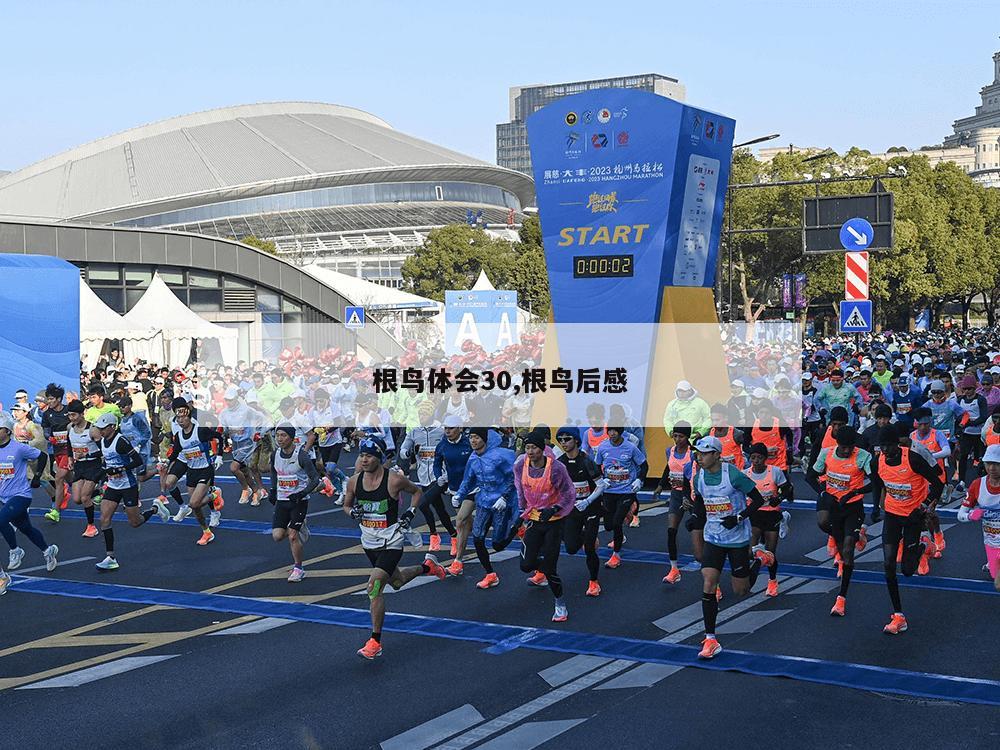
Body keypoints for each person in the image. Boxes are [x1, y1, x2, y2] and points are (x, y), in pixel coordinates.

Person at [343, 437, 445, 659]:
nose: (364, 459)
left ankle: (375, 642)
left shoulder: (394, 480)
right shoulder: (353, 481)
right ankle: (428, 567)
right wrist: (352, 513)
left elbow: (417, 491)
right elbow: (346, 504)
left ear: (379, 457)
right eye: (362, 455)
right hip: (369, 541)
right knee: (397, 582)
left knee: (374, 586)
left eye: (369, 455)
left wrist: (410, 512)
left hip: (392, 540)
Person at [690, 436, 770, 659]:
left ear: (716, 454)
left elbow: (758, 500)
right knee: (708, 582)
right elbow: (700, 501)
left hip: (737, 538)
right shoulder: (699, 477)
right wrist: (696, 516)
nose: (700, 457)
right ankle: (711, 639)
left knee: (740, 591)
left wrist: (739, 517)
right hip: (713, 536)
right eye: (699, 453)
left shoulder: (732, 474)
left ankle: (760, 560)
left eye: (705, 453)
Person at [873, 424, 944, 634]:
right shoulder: (879, 460)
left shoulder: (912, 458)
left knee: (907, 571)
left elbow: (938, 483)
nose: (885, 450)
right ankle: (898, 616)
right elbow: (879, 484)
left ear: (898, 443)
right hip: (893, 515)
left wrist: (924, 507)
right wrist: (877, 508)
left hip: (913, 516)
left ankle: (924, 546)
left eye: (889, 446)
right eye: (882, 446)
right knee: (888, 563)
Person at [92, 412, 170, 570]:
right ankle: (110, 557)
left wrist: (121, 468)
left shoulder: (121, 441)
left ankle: (155, 509)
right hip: (113, 486)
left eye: (104, 428)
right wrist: (98, 480)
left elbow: (137, 461)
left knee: (135, 522)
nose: (101, 431)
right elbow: (106, 463)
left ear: (112, 427)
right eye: (99, 428)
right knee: (104, 519)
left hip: (128, 486)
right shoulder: (102, 442)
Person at [513, 429, 576, 622]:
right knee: (526, 565)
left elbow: (569, 493)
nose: (530, 451)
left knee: (550, 568)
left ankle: (560, 604)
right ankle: (546, 567)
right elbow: (520, 489)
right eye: (527, 447)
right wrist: (521, 513)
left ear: (542, 449)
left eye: (534, 447)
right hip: (533, 518)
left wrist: (555, 508)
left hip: (553, 522)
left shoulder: (556, 468)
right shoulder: (520, 466)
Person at [811, 426, 872, 615]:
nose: (847, 451)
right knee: (834, 536)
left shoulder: (863, 456)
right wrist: (823, 492)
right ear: (837, 443)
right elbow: (813, 475)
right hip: (834, 508)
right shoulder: (826, 454)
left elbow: (876, 481)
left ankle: (841, 598)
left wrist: (856, 492)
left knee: (847, 551)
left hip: (853, 507)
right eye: (844, 447)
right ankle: (857, 536)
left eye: (850, 447)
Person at [451, 427, 518, 589]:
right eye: (471, 437)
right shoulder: (473, 458)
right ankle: (490, 574)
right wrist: (459, 495)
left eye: (477, 437)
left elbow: (513, 476)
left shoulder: (499, 456)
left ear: (485, 439)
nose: (473, 441)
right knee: (478, 538)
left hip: (501, 504)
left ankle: (517, 527)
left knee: (498, 544)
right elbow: (468, 480)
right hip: (483, 502)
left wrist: (504, 497)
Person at [0, 412, 59, 580]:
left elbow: (42, 456)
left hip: (21, 495)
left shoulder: (18, 448)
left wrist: (38, 476)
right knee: (26, 528)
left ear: (7, 431)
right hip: (4, 497)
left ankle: (15, 550)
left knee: (1, 520)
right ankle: (48, 551)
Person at [555, 425, 607, 596]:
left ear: (576, 440)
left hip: (590, 508)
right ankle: (585, 536)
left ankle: (594, 582)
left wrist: (587, 501)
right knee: (570, 548)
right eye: (560, 440)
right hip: (572, 509)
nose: (564, 443)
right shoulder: (560, 463)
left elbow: (600, 485)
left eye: (567, 439)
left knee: (590, 547)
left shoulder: (586, 461)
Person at [163, 397, 223, 544]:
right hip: (191, 470)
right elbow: (176, 452)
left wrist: (219, 456)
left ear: (189, 417)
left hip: (205, 470)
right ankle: (206, 532)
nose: (180, 420)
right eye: (178, 418)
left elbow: (219, 437)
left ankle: (214, 495)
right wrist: (168, 463)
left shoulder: (200, 430)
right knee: (195, 507)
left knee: (195, 503)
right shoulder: (179, 436)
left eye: (183, 417)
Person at [400, 402, 457, 552]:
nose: (421, 417)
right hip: (423, 475)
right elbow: (403, 451)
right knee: (439, 508)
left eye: (424, 414)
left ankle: (434, 534)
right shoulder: (414, 432)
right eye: (420, 414)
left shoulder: (441, 430)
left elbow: (451, 445)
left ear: (431, 414)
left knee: (423, 504)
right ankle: (453, 535)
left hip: (439, 475)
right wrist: (411, 451)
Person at [270, 423, 321, 581]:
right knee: (277, 536)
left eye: (283, 435)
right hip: (282, 499)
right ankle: (300, 527)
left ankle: (298, 568)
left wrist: (302, 493)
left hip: (299, 500)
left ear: (292, 438)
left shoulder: (301, 455)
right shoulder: (275, 454)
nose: (280, 439)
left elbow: (315, 479)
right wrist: (273, 489)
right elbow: (273, 472)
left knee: (292, 536)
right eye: (278, 435)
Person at [594, 425, 647, 569]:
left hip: (626, 490)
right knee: (609, 525)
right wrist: (601, 480)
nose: (612, 434)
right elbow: (597, 466)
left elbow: (644, 465)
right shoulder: (603, 447)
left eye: (615, 431)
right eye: (609, 431)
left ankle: (616, 556)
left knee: (617, 523)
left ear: (620, 432)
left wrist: (639, 480)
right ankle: (627, 515)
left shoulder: (630, 447)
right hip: (610, 490)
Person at [745, 441, 794, 597]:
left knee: (770, 554)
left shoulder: (775, 472)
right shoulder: (745, 474)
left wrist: (778, 498)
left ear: (765, 458)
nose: (756, 461)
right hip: (754, 513)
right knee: (750, 552)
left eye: (759, 457)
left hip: (771, 513)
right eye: (753, 458)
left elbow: (787, 488)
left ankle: (772, 581)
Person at [653, 423, 697, 584]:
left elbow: (692, 475)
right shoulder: (669, 451)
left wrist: (689, 496)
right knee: (671, 531)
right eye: (675, 436)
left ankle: (712, 576)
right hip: (676, 494)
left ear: (688, 437)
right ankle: (674, 569)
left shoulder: (693, 454)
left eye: (681, 436)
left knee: (698, 535)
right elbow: (669, 467)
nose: (677, 440)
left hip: (692, 496)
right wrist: (659, 485)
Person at [435, 416, 475, 576]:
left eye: (451, 428)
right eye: (445, 428)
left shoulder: (469, 443)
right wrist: (439, 476)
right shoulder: (442, 445)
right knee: (466, 524)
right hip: (454, 489)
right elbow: (437, 462)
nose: (447, 431)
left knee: (460, 522)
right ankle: (476, 533)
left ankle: (458, 561)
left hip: (472, 488)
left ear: (459, 428)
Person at [957, 443, 1000, 592]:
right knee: (996, 577)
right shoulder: (977, 485)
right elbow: (960, 515)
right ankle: (992, 563)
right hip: (990, 540)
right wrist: (971, 515)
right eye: (989, 463)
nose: (992, 468)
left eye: (996, 464)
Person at [909, 407, 951, 557]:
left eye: (926, 424)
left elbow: (947, 451)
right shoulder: (912, 436)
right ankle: (932, 541)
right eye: (920, 424)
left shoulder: (937, 434)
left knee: (929, 512)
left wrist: (929, 456)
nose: (923, 427)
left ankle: (936, 536)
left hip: (936, 479)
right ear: (916, 423)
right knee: (924, 513)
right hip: (919, 481)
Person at [41, 383, 72, 522]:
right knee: (70, 479)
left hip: (70, 450)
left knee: (59, 478)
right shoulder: (47, 414)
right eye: (47, 399)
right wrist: (50, 438)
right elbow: (46, 432)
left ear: (59, 399)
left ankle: (56, 511)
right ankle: (96, 491)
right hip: (57, 450)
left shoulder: (68, 410)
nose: (49, 401)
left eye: (52, 399)